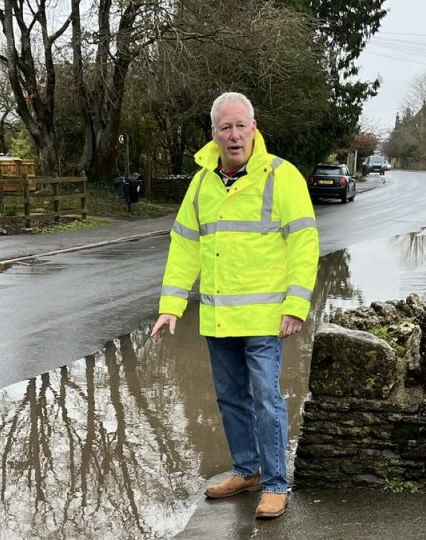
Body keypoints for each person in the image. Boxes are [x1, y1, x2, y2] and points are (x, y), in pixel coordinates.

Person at [150, 92, 319, 519]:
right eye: (225, 127)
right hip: (219, 316)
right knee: (230, 399)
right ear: (214, 134)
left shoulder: (282, 176)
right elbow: (185, 245)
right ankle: (247, 470)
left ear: (254, 128)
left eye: (241, 125)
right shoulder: (202, 182)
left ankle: (276, 483)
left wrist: (296, 303)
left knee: (266, 399)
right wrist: (170, 305)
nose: (234, 134)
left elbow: (304, 242)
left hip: (265, 318)